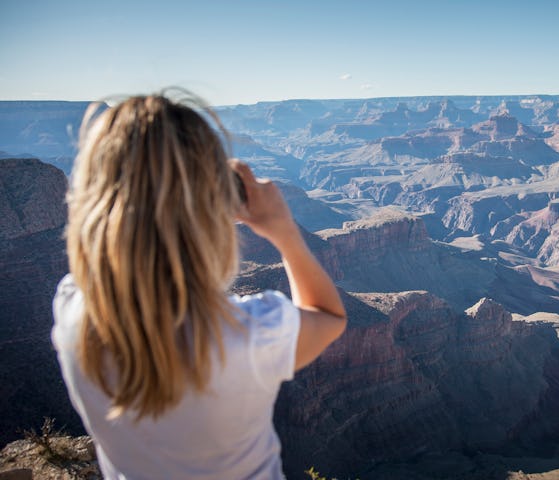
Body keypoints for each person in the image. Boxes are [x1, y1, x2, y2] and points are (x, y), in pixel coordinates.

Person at [52, 92, 347, 479]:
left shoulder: (72, 309)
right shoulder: (245, 337)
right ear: (209, 208)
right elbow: (327, 316)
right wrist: (283, 230)